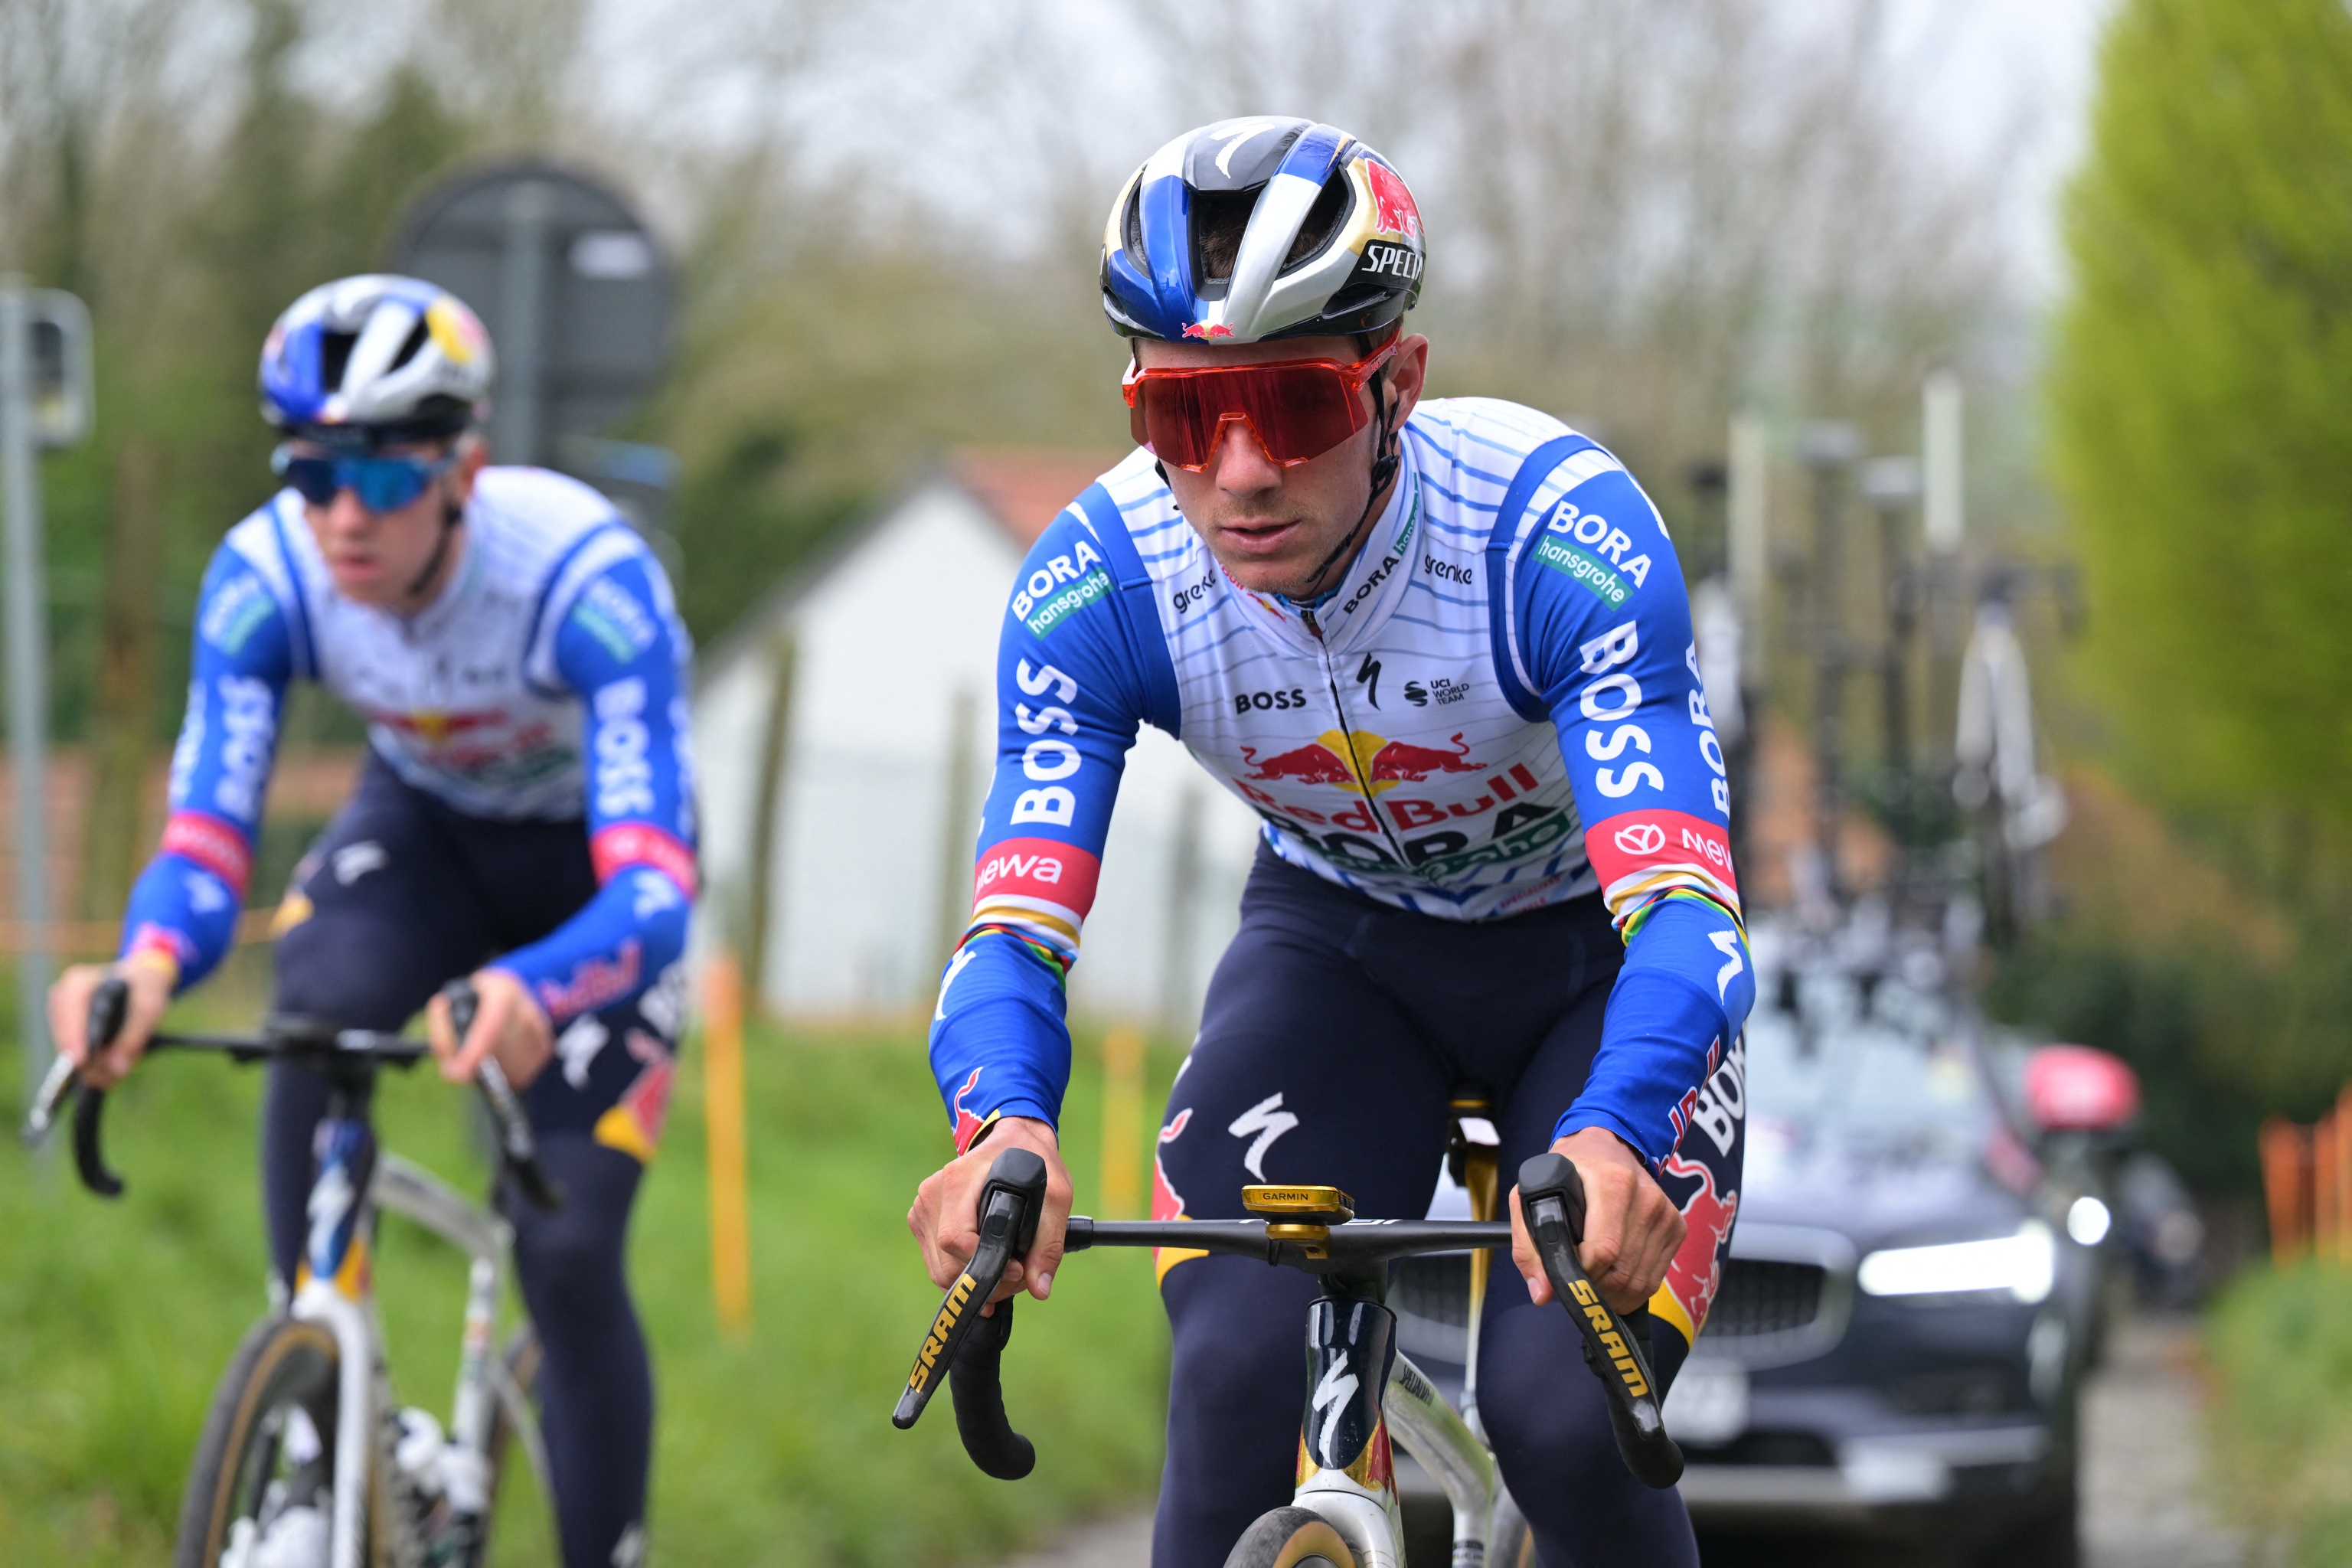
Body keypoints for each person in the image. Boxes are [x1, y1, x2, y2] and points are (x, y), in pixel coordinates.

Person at [906, 119, 1753, 1566]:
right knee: (1236, 1375)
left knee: (1564, 1414)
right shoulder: (1098, 587)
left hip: (1597, 966)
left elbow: (1687, 912)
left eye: (1295, 408)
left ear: (1395, 385)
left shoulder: (1554, 537)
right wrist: (1004, 1127)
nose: (1240, 473)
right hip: (1339, 953)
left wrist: (1618, 1128)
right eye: (1186, 417)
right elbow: (1012, 936)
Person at [50, 275, 695, 1568]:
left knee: (568, 1253)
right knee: (315, 1010)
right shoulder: (265, 579)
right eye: (313, 472)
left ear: (463, 470)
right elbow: (205, 837)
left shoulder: (584, 580)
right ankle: (321, 1418)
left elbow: (656, 890)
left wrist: (542, 986)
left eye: (386, 478)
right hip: (424, 836)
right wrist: (146, 965)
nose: (345, 514)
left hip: (591, 879)